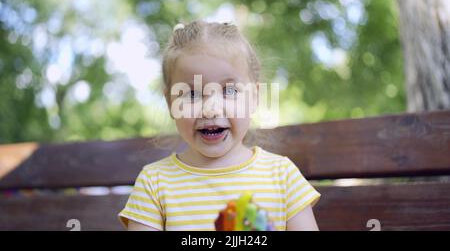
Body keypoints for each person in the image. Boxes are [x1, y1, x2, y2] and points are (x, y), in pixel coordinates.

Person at [118, 20, 321, 231]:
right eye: (193, 94)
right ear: (171, 103)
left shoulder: (282, 175)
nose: (211, 109)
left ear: (253, 97)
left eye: (229, 91)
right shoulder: (155, 183)